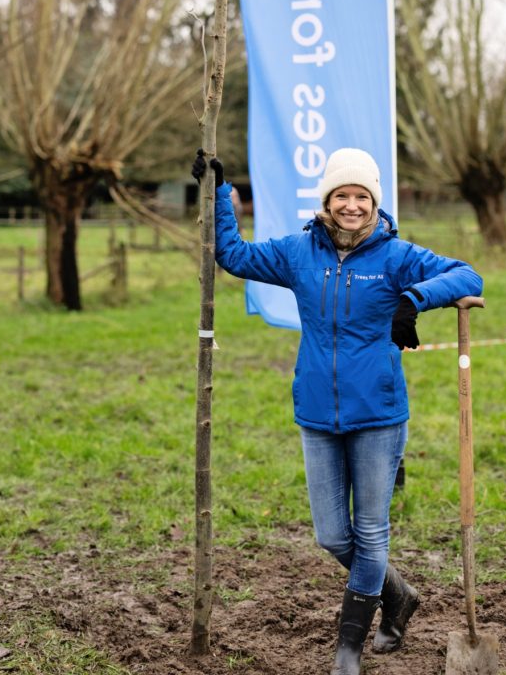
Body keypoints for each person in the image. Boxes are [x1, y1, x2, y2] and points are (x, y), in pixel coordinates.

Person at [192, 147, 483, 675]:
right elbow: (233, 255)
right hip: (317, 413)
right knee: (331, 534)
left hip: (379, 413)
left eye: (362, 196)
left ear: (375, 202)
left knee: (370, 531)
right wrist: (218, 194)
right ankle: (397, 595)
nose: (352, 205)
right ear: (328, 200)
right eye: (342, 195)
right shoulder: (299, 253)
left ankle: (348, 647)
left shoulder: (396, 257)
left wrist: (413, 299)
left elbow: (469, 277)